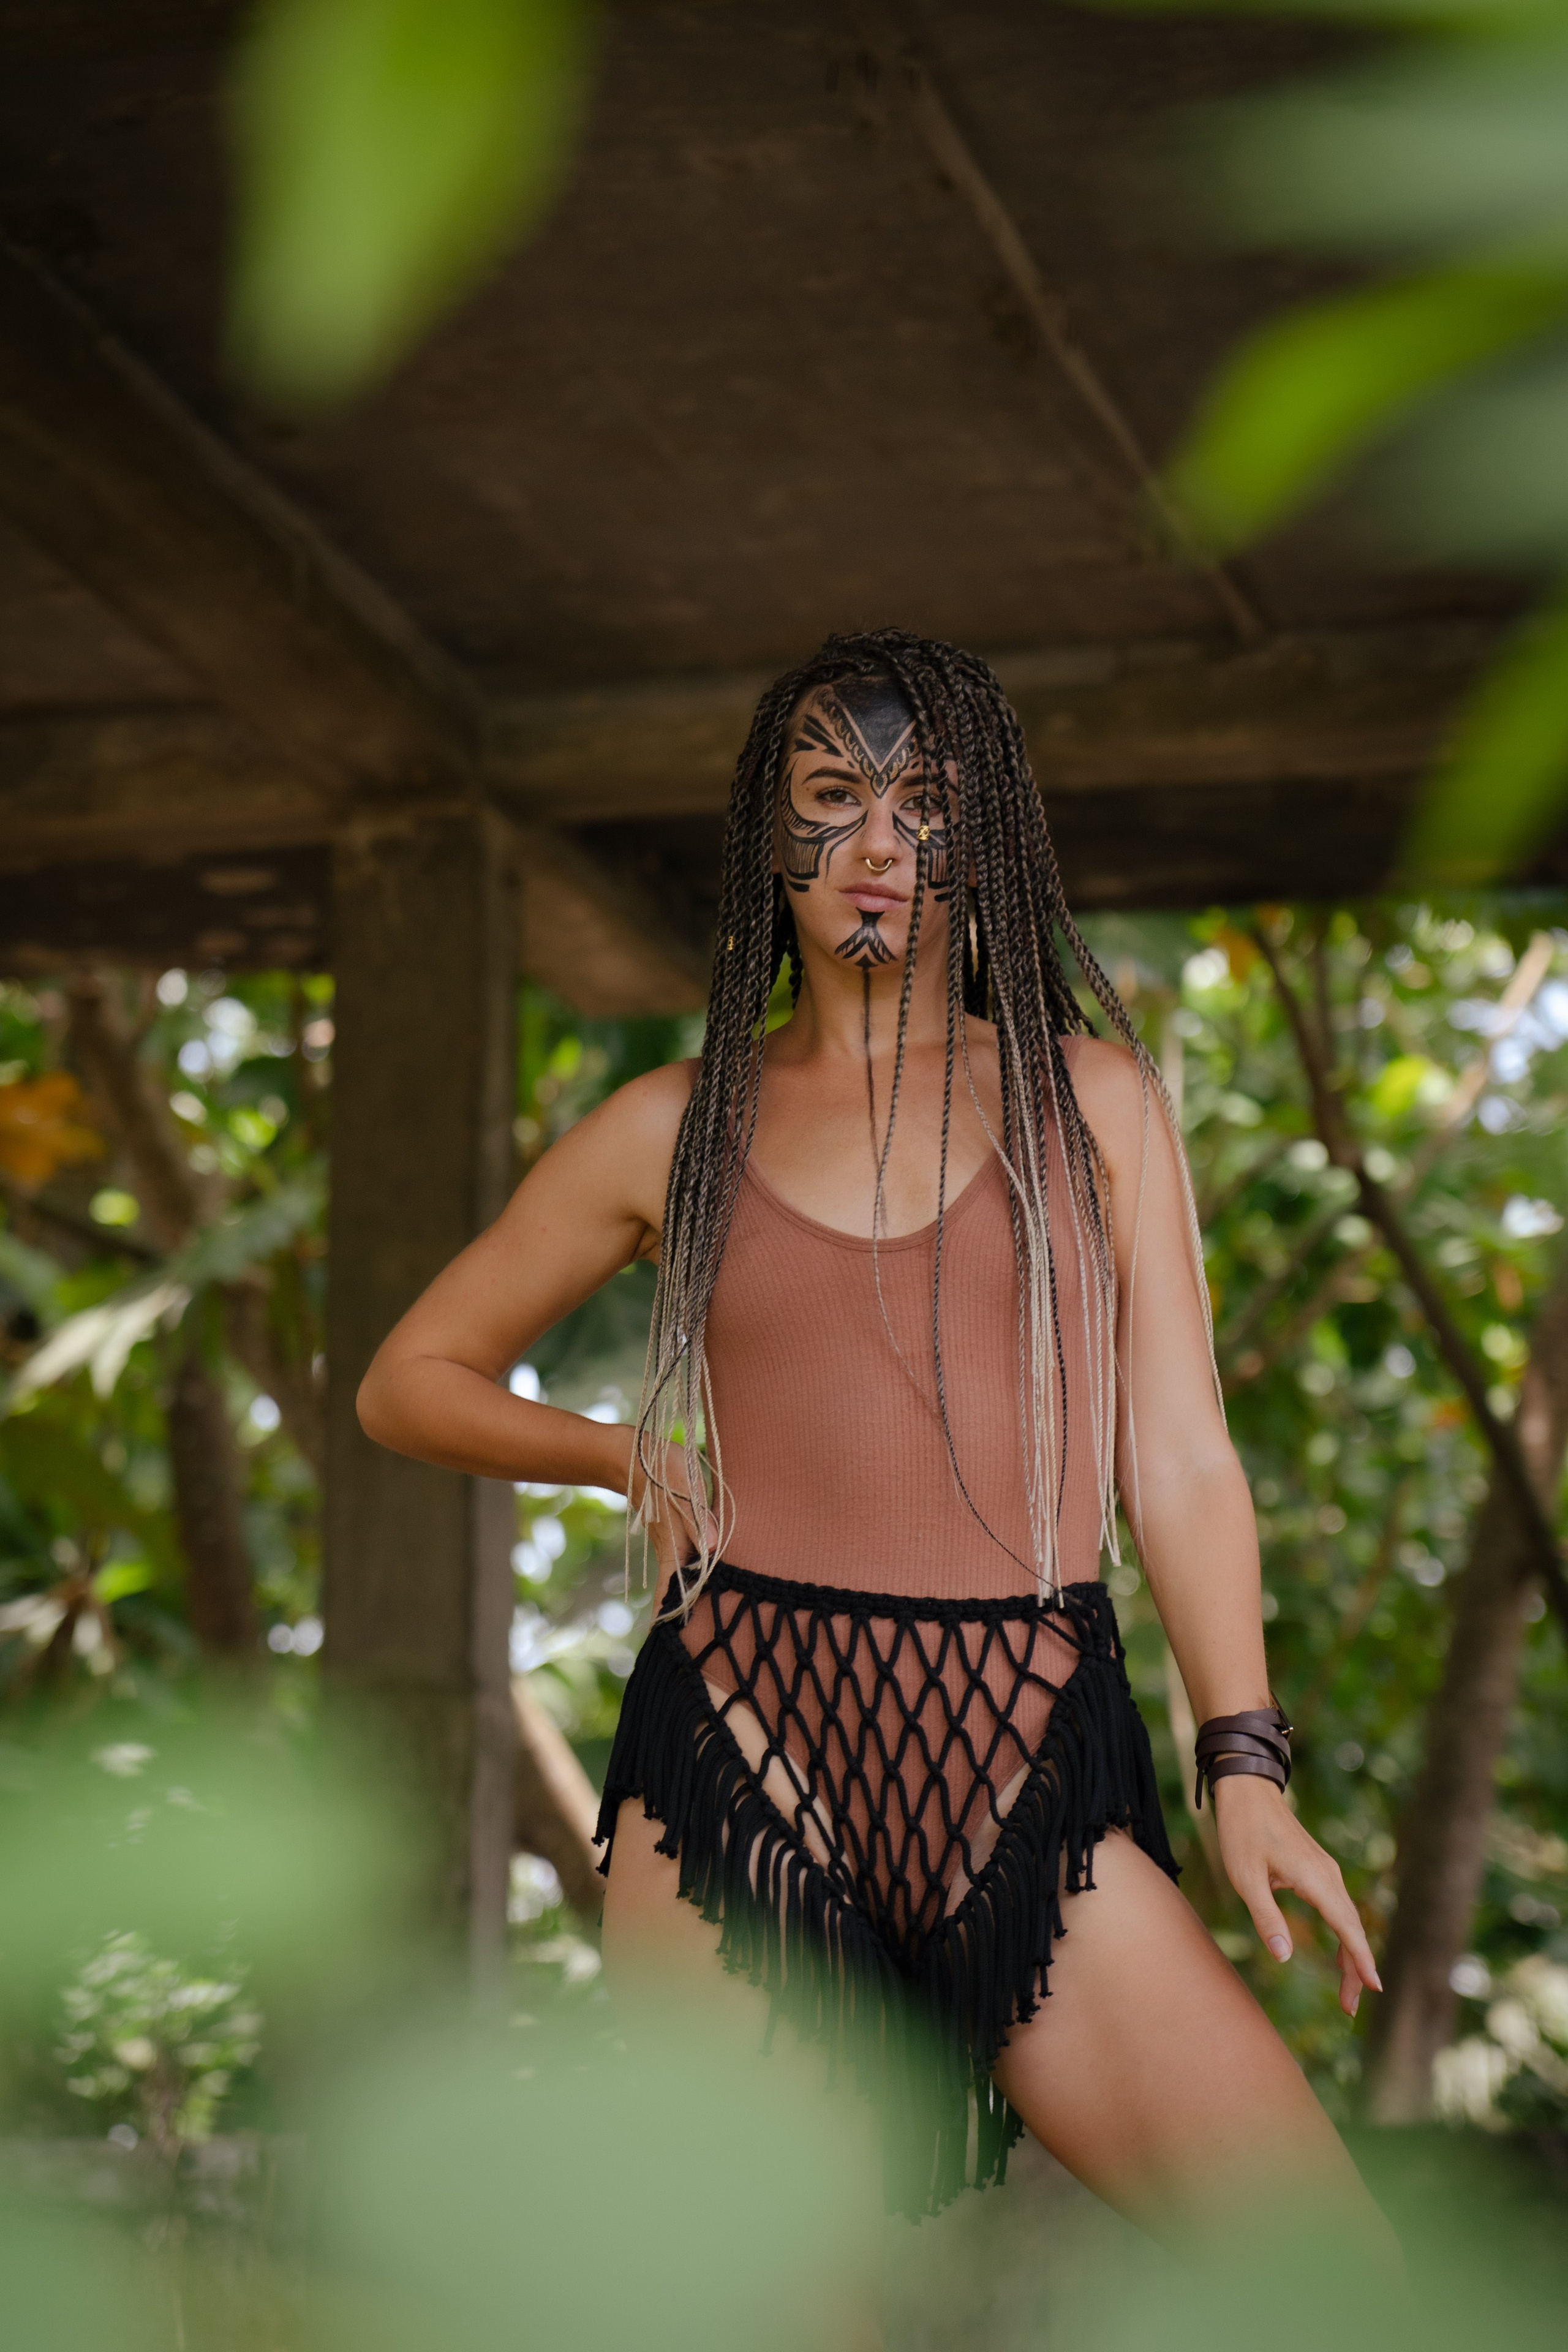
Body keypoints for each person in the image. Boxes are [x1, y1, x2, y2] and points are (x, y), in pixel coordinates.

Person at [358, 628, 1388, 2248]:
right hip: (735, 1775)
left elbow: (1180, 1457)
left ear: (984, 844)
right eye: (835, 797)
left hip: (1028, 1769)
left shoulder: (1094, 1104)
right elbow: (409, 1375)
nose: (882, 846)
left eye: (928, 805)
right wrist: (627, 1458)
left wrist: (1242, 1762)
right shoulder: (671, 1128)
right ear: (774, 839)